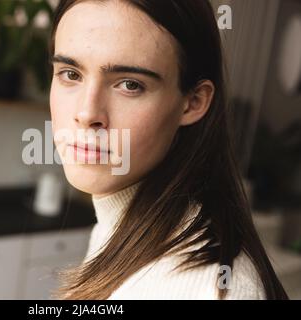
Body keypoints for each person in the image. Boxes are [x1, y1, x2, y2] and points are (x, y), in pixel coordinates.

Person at [48, 0, 288, 299]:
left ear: (194, 102)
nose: (86, 113)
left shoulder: (208, 288)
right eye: (71, 74)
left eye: (130, 84)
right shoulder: (119, 227)